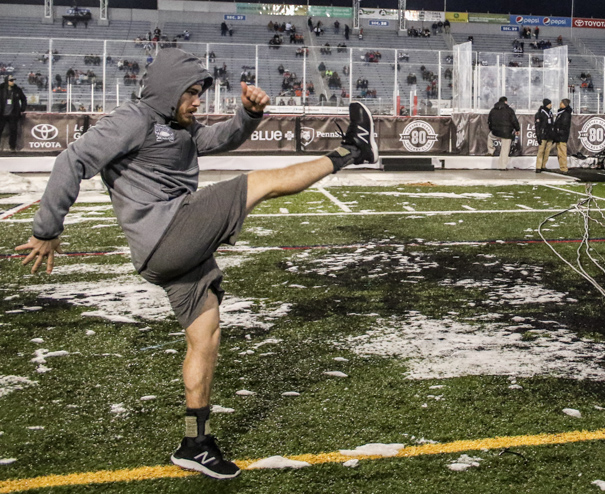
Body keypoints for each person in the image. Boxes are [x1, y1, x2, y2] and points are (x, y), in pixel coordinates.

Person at [17, 48, 378, 479]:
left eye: (199, 93)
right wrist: (46, 229)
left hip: (167, 255)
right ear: (169, 90)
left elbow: (220, 139)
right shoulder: (133, 119)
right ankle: (354, 150)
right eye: (190, 92)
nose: (197, 101)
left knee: (205, 337)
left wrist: (247, 115)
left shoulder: (178, 127)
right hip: (168, 233)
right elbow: (71, 160)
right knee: (259, 183)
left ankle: (195, 442)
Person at [487, 96, 519, 170]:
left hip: (495, 131)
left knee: (490, 137)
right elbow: (514, 121)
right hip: (506, 133)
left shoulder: (493, 110)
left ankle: (490, 150)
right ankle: (502, 167)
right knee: (505, 150)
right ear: (506, 102)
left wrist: (492, 129)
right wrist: (517, 129)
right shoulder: (509, 110)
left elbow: (489, 121)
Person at [0, 76, 28, 151]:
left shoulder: (17, 90)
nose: (13, 82)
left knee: (13, 130)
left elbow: (24, 99)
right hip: (1, 114)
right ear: (7, 81)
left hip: (13, 114)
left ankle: (12, 147)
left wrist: (22, 109)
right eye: (11, 80)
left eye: (13, 80)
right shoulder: (1, 89)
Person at [549, 98, 572, 173]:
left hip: (561, 136)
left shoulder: (565, 114)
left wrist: (559, 131)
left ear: (564, 104)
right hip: (559, 135)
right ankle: (562, 167)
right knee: (559, 152)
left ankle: (564, 167)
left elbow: (564, 124)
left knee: (562, 152)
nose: (559, 104)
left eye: (561, 103)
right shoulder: (562, 112)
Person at [534, 98, 554, 173]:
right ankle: (538, 167)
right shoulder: (540, 113)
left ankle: (543, 165)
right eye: (550, 104)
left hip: (550, 135)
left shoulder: (550, 113)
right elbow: (537, 126)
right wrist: (538, 136)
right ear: (546, 104)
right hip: (543, 135)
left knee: (547, 151)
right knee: (541, 151)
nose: (551, 105)